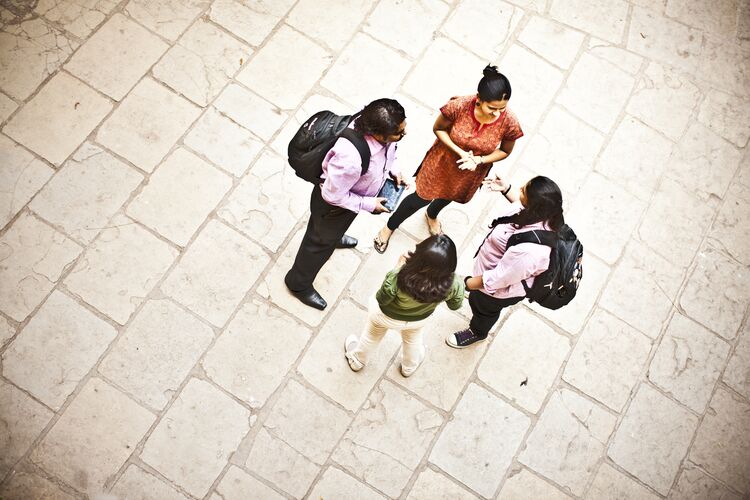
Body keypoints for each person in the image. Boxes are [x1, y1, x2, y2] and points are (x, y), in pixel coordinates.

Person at [373, 65, 523, 253]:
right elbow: (439, 129)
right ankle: (389, 227)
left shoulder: (509, 121)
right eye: (492, 108)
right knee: (419, 198)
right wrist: (460, 152)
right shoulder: (459, 106)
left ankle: (432, 215)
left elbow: (505, 151)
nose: (498, 114)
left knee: (449, 196)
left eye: (503, 108)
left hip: (469, 172)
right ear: (479, 98)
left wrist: (479, 160)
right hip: (441, 162)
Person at [285, 98, 408, 310]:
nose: (403, 135)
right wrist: (369, 204)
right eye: (399, 133)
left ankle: (334, 237)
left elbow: (390, 152)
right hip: (333, 207)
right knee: (318, 243)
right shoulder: (349, 159)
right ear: (377, 133)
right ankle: (298, 284)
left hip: (349, 199)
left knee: (330, 233)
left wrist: (393, 170)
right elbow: (332, 195)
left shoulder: (376, 124)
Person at [446, 175, 563, 348]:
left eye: (523, 191)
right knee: (478, 296)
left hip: (497, 291)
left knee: (483, 308)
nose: (520, 188)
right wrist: (506, 189)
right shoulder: (546, 214)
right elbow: (522, 204)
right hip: (492, 272)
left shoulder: (529, 253)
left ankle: (477, 332)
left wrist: (463, 284)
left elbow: (496, 279)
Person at [344, 234, 464, 377]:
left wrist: (397, 267)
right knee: (412, 341)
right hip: (417, 320)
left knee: (371, 337)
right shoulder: (454, 284)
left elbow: (383, 299)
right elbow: (455, 306)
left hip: (384, 316)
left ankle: (357, 361)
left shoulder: (400, 275)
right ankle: (408, 368)